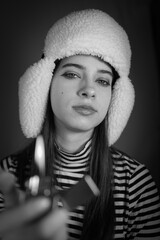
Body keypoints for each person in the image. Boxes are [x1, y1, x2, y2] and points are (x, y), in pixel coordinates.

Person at [0, 8, 160, 240]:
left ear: (115, 97)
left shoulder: (136, 183)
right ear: (45, 83)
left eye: (103, 80)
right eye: (73, 74)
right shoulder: (7, 176)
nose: (89, 90)